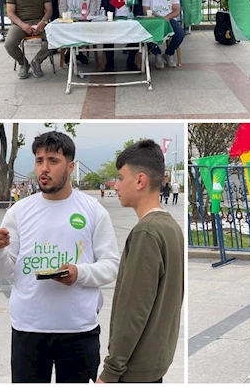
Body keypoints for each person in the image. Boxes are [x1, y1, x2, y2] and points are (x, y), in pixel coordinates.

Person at [0, 131, 121, 382]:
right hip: (28, 329)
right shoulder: (19, 212)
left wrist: (79, 273)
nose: (44, 169)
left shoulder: (93, 211)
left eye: (53, 160)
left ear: (70, 166)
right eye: (39, 161)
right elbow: (2, 272)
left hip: (79, 330)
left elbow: (111, 265)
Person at [97, 140, 183, 383]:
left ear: (140, 181)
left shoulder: (146, 232)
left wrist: (110, 371)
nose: (116, 185)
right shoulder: (171, 227)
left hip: (134, 369)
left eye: (120, 177)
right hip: (156, 362)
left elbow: (133, 309)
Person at [5, 0, 53, 79]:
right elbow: (10, 13)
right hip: (20, 23)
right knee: (9, 44)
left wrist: (43, 22)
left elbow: (49, 10)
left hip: (40, 22)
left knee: (55, 40)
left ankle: (37, 61)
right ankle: (24, 64)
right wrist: (23, 25)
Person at [100, 0, 144, 72]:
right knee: (107, 35)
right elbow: (103, 8)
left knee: (137, 32)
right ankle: (109, 64)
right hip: (113, 21)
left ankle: (130, 62)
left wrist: (134, 18)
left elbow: (138, 9)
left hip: (129, 21)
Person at [142, 0, 185, 69]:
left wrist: (165, 18)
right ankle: (157, 54)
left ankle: (169, 54)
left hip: (169, 19)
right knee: (145, 35)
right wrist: (158, 19)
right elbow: (145, 11)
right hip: (154, 20)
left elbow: (176, 10)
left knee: (180, 33)